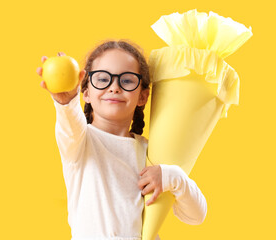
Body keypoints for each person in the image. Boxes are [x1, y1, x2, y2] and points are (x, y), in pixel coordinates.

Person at [36, 40, 207, 240]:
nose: (114, 87)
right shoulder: (80, 143)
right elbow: (69, 126)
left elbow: (196, 216)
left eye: (126, 80)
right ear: (86, 93)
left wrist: (173, 176)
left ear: (143, 96)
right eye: (102, 79)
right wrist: (66, 102)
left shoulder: (152, 153)